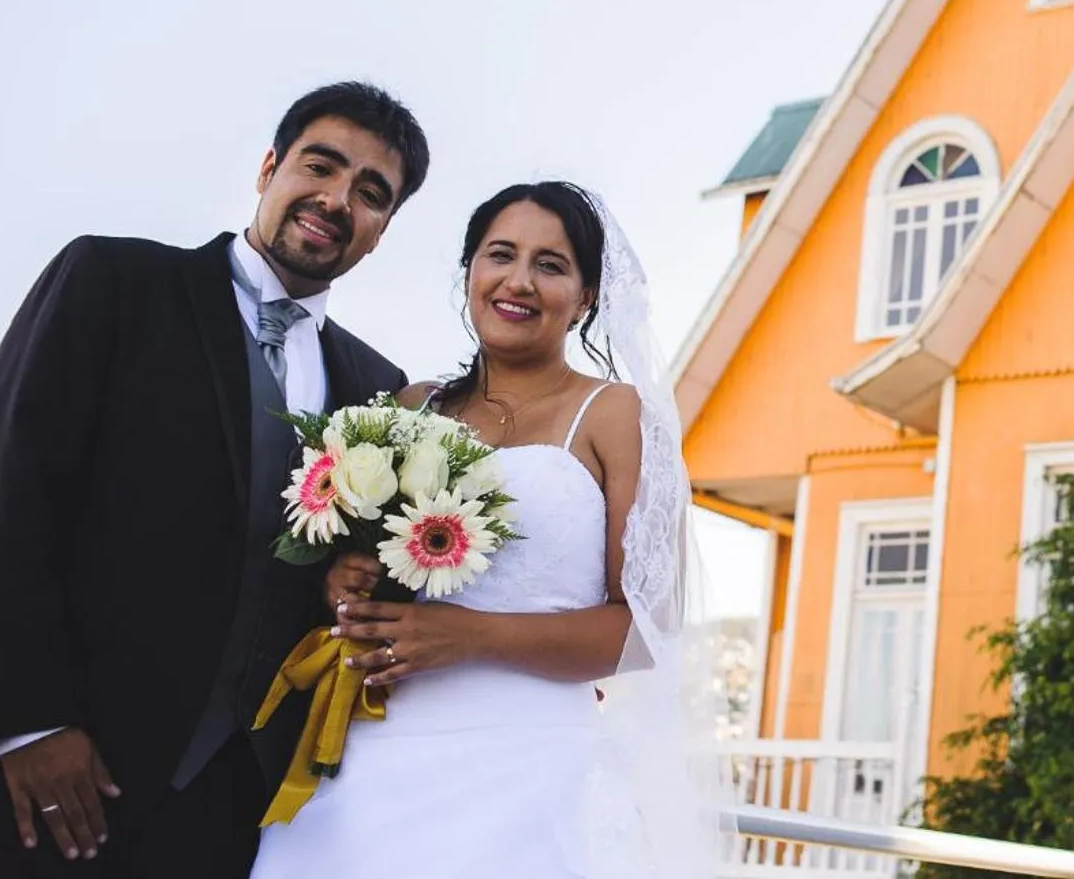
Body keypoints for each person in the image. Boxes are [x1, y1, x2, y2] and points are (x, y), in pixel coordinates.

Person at [0, 82, 430, 878]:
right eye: (319, 165)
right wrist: (28, 723)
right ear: (268, 168)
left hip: (226, 816)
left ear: (382, 230)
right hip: (41, 789)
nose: (336, 198)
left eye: (370, 193)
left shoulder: (376, 389)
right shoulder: (114, 282)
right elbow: (4, 492)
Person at [250, 180, 721, 879]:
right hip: (378, 756)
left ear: (587, 295)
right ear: (470, 271)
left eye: (551, 265)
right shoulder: (411, 406)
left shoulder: (617, 415)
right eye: (500, 254)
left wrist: (470, 636)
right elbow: (374, 572)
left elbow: (648, 626)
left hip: (535, 769)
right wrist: (343, 583)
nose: (519, 280)